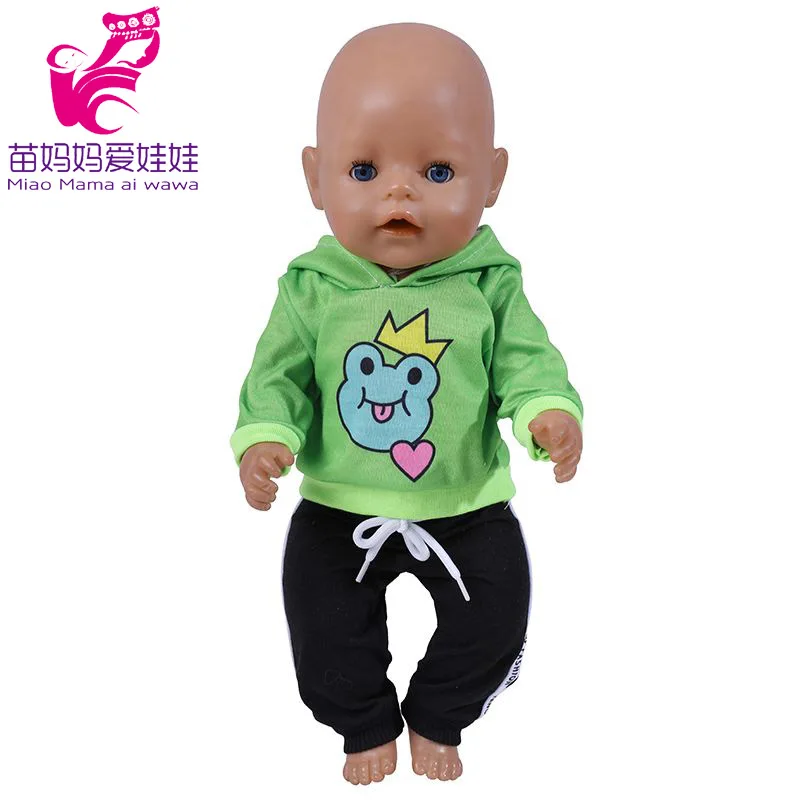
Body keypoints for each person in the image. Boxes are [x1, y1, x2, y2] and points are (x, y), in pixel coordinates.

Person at [231, 22, 583, 784]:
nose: (399, 191)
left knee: (496, 617)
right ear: (315, 178)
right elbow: (276, 374)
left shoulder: (490, 283)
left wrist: (545, 413)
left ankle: (439, 713)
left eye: (437, 169)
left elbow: (527, 361)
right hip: (337, 505)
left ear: (492, 179)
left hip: (466, 502)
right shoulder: (313, 289)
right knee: (323, 631)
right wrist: (266, 435)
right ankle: (362, 724)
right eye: (363, 169)